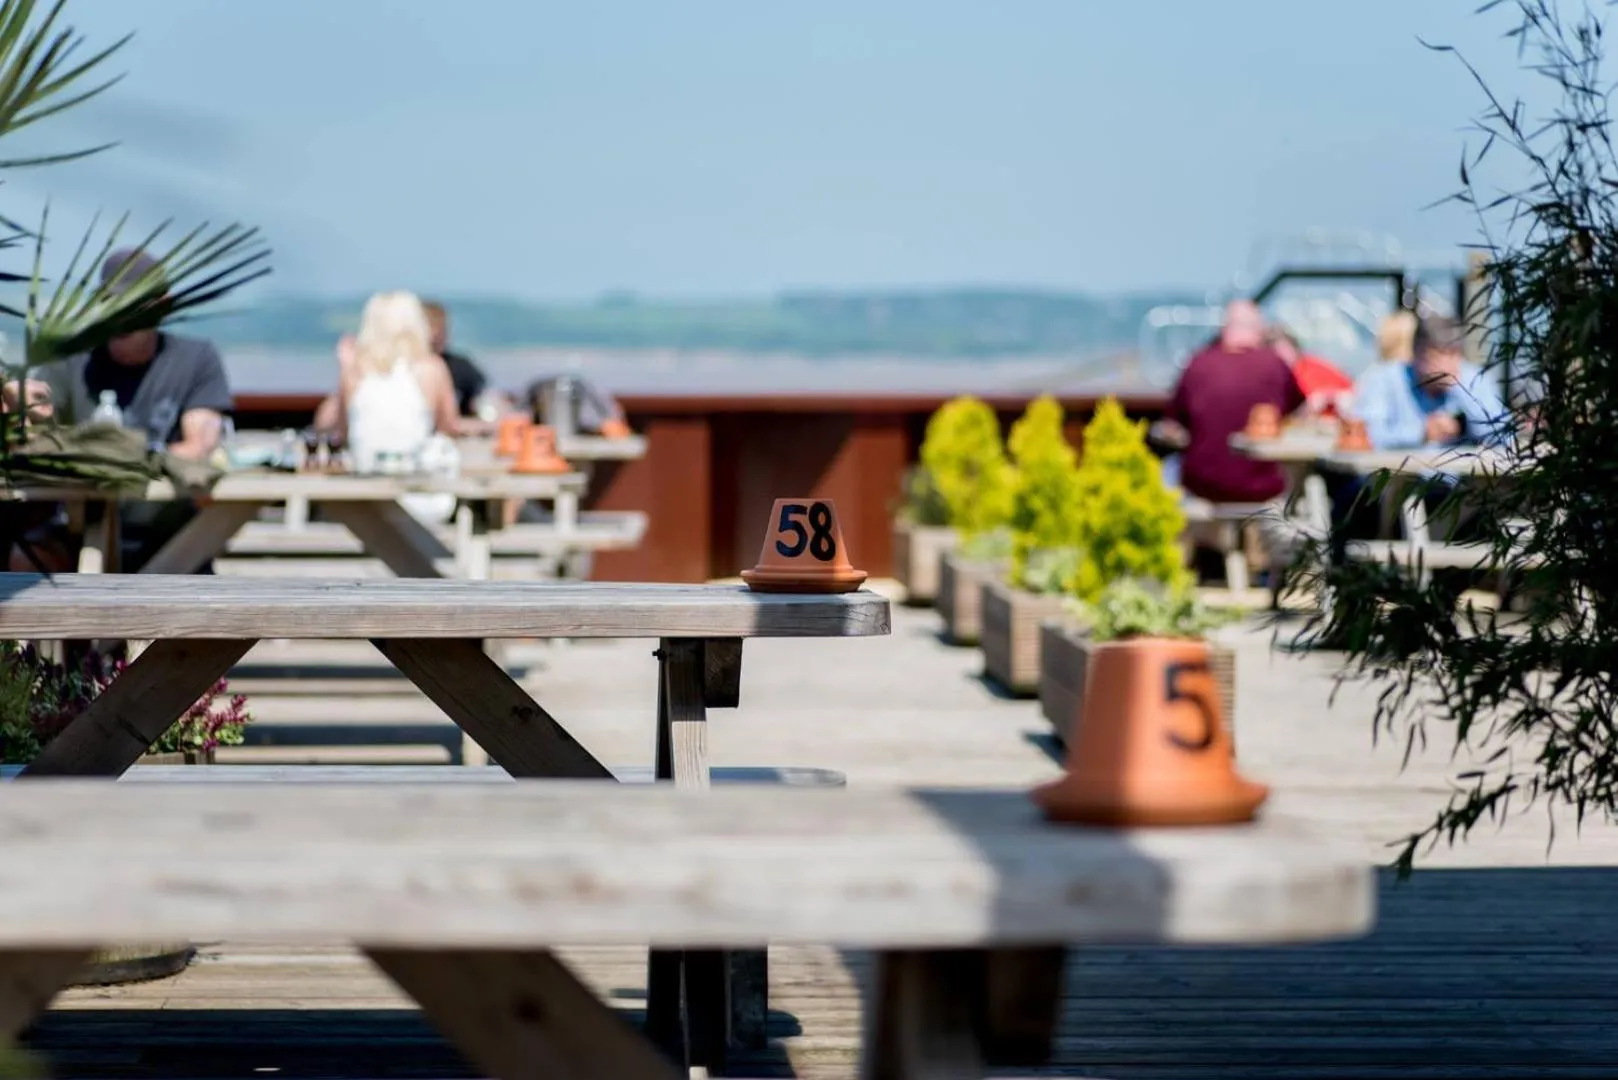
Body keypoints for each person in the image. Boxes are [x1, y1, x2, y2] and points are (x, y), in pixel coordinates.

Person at [20, 248, 235, 572]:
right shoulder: (66, 361)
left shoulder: (196, 359)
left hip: (169, 538)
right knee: (22, 564)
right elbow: (33, 433)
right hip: (74, 532)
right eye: (108, 301)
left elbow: (199, 447)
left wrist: (108, 456)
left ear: (163, 305)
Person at [331, 290, 461, 521]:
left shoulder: (356, 370)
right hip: (422, 493)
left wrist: (344, 369)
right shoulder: (431, 368)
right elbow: (449, 426)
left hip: (364, 494)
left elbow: (338, 430)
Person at [1160, 300, 1305, 503]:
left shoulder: (1197, 363)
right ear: (1259, 330)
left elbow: (1175, 423)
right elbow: (1296, 411)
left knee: (1166, 470)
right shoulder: (1274, 364)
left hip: (1204, 486)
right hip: (1263, 487)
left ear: (1225, 329)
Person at [1351, 314, 1508, 451]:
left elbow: (1505, 438)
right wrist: (1421, 433)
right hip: (1400, 479)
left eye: (1453, 355)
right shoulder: (1386, 379)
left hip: (1463, 481)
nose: (1446, 365)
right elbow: (1367, 438)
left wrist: (1461, 391)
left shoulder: (1474, 379)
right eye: (1437, 356)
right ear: (1416, 353)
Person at [421, 299, 490, 420]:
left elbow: (479, 401)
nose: (436, 335)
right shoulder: (403, 369)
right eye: (432, 326)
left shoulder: (462, 368)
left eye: (441, 328)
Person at [1265, 325, 1353, 418]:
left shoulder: (1314, 367)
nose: (1283, 355)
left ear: (1294, 348)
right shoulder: (1274, 377)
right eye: (1276, 352)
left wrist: (1328, 395)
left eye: (1285, 349)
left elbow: (1349, 389)